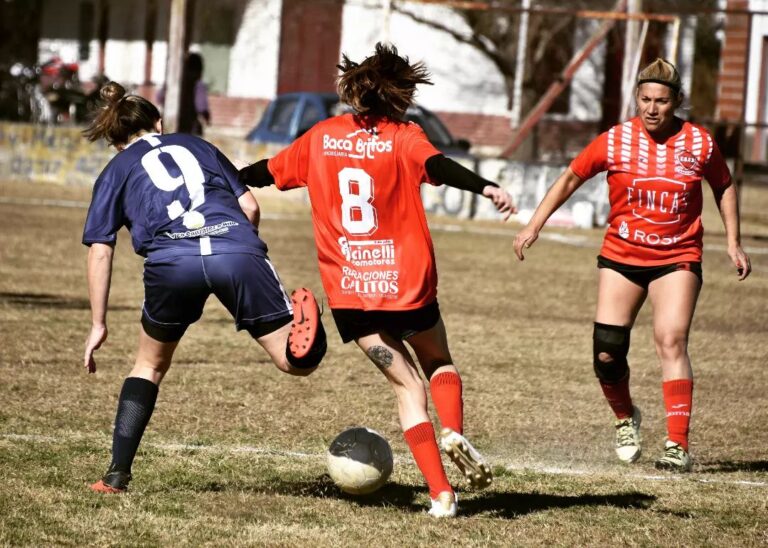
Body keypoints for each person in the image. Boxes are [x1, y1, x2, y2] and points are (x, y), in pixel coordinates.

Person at [239, 43, 516, 517]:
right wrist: (485, 185)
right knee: (438, 362)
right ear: (399, 94)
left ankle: (441, 496)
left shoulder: (321, 137)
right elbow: (438, 166)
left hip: (351, 290)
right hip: (407, 281)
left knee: (407, 389)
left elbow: (264, 173)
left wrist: (218, 181)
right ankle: (452, 428)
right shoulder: (405, 136)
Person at [81, 82, 327, 493]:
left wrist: (97, 323)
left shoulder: (115, 171)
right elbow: (249, 206)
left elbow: (101, 250)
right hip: (236, 249)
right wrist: (238, 253)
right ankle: (308, 337)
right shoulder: (197, 145)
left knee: (149, 366)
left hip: (171, 263)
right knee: (294, 362)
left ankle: (116, 475)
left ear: (115, 143)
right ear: (159, 123)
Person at [513, 58, 751, 472]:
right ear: (636, 98)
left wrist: (733, 242)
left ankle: (677, 445)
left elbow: (724, 186)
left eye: (662, 100)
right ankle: (626, 419)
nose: (653, 108)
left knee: (671, 340)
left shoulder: (699, 143)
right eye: (645, 99)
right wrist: (534, 225)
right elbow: (570, 177)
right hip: (622, 256)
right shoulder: (615, 141)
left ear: (676, 101)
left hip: (677, 256)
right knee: (607, 352)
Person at [156, 52, 210, 136]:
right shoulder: (198, 85)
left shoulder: (173, 81)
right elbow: (201, 106)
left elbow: (159, 98)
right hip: (188, 128)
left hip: (168, 125)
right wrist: (207, 117)